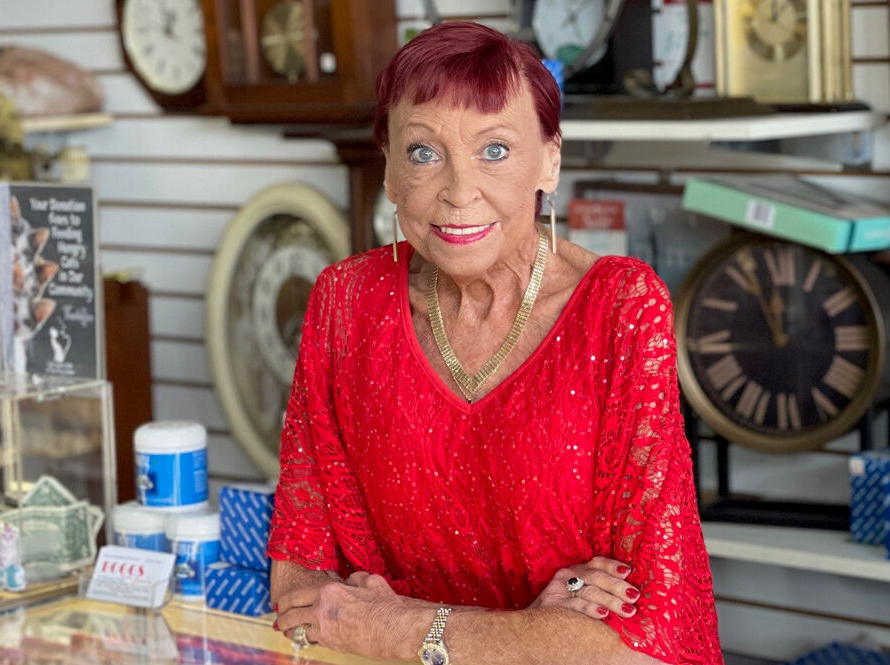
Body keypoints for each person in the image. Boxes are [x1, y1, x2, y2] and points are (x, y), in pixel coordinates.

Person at [267, 21, 722, 665]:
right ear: (390, 170)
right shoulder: (344, 303)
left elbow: (642, 647)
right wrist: (527, 635)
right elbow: (298, 591)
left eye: (496, 150)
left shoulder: (621, 308)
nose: (458, 191)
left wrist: (400, 625)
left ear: (550, 161)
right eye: (424, 153)